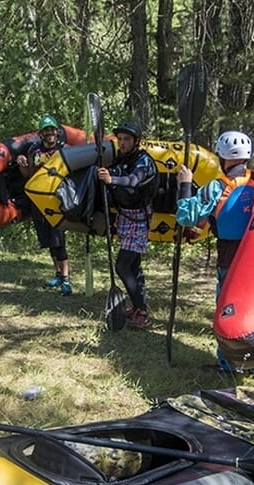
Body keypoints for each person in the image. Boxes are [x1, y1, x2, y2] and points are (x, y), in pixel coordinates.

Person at [175, 130, 254, 379]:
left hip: (230, 259)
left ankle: (228, 365)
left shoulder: (216, 187)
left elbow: (186, 216)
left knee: (228, 310)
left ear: (222, 156)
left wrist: (185, 184)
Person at [97, 121, 158, 329]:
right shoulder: (122, 159)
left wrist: (111, 179)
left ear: (136, 141)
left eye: (127, 139)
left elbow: (133, 180)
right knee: (133, 266)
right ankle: (139, 308)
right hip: (126, 216)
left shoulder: (143, 161)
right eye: (120, 139)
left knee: (122, 266)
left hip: (139, 218)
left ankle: (142, 313)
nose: (122, 143)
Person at [16, 115, 73, 296]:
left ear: (57, 132)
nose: (50, 133)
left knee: (59, 240)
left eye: (52, 129)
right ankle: (57, 273)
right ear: (41, 133)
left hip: (57, 200)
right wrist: (22, 165)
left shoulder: (65, 150)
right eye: (46, 130)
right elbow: (27, 175)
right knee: (47, 240)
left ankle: (66, 279)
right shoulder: (35, 151)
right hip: (38, 200)